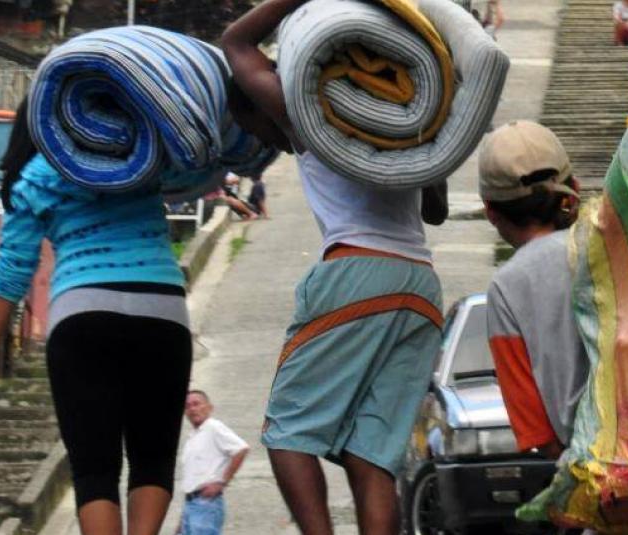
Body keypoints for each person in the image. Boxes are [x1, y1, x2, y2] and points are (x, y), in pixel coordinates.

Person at [222, 2, 450, 535]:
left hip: (356, 273)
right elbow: (434, 210)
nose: (261, 138)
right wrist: (419, 133)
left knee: (288, 432)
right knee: (371, 455)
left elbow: (236, 43)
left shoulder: (308, 117)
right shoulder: (402, 121)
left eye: (252, 124)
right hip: (420, 287)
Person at [0, 98, 205, 535]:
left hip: (82, 313)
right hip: (161, 308)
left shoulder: (33, 177)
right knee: (153, 456)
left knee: (94, 468)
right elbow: (199, 169)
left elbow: (11, 272)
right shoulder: (138, 156)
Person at [477, 120, 589, 460]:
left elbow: (538, 431)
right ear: (574, 188)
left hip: (594, 472)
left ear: (491, 212)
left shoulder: (507, 287)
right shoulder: (614, 244)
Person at [176, 390, 251, 535]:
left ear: (209, 407)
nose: (192, 409)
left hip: (206, 504)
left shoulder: (213, 427)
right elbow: (192, 480)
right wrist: (181, 522)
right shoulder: (192, 438)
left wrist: (222, 482)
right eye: (187, 406)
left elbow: (241, 449)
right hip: (190, 505)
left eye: (196, 404)